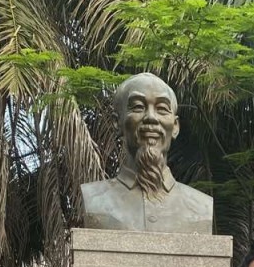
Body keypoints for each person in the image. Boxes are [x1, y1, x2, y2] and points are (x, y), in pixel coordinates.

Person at [81, 72, 212, 233]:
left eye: (162, 109)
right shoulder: (94, 199)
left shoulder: (202, 207)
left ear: (175, 126)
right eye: (138, 107)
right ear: (117, 122)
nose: (151, 117)